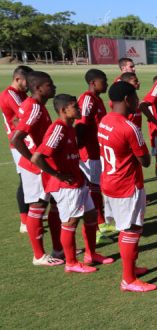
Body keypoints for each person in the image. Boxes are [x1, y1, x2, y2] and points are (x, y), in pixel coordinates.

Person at [31, 94, 114, 272]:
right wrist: (58, 175)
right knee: (70, 223)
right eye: (75, 107)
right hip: (66, 186)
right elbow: (38, 157)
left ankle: (91, 254)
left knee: (91, 215)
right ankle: (71, 262)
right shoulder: (58, 129)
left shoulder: (70, 127)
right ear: (63, 110)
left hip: (78, 181)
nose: (79, 109)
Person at [98, 81, 156, 292]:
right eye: (135, 97)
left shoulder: (105, 120)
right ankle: (128, 279)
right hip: (126, 184)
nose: (137, 101)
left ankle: (131, 270)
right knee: (131, 229)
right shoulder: (129, 126)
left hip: (110, 180)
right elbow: (145, 160)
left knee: (126, 228)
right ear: (126, 99)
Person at [10, 71, 65, 266]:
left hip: (45, 164)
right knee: (38, 206)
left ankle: (58, 249)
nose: (54, 87)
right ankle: (39, 256)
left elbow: (17, 121)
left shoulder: (33, 105)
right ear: (38, 88)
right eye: (50, 85)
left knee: (54, 205)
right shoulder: (34, 107)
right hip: (36, 168)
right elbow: (16, 138)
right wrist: (33, 157)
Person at [76, 69, 113, 241]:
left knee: (97, 188)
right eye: (103, 80)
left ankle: (100, 223)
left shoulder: (96, 99)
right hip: (89, 152)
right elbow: (81, 125)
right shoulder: (88, 99)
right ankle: (97, 229)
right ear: (93, 82)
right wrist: (79, 150)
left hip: (96, 150)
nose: (106, 84)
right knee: (93, 189)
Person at [1, 65, 33, 233]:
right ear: (18, 79)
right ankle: (24, 220)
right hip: (18, 143)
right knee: (24, 180)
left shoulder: (20, 93)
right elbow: (23, 116)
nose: (29, 84)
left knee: (31, 178)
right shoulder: (11, 95)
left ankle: (33, 214)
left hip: (25, 141)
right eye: (27, 81)